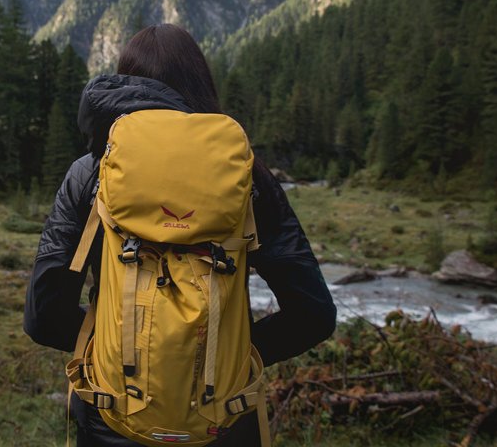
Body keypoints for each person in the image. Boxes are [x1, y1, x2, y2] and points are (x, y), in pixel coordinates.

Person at [24, 24, 336, 446]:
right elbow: (313, 314)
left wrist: (111, 350)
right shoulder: (247, 178)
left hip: (110, 419)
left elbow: (44, 316)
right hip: (222, 423)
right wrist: (228, 354)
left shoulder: (90, 173)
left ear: (125, 83)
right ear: (200, 85)